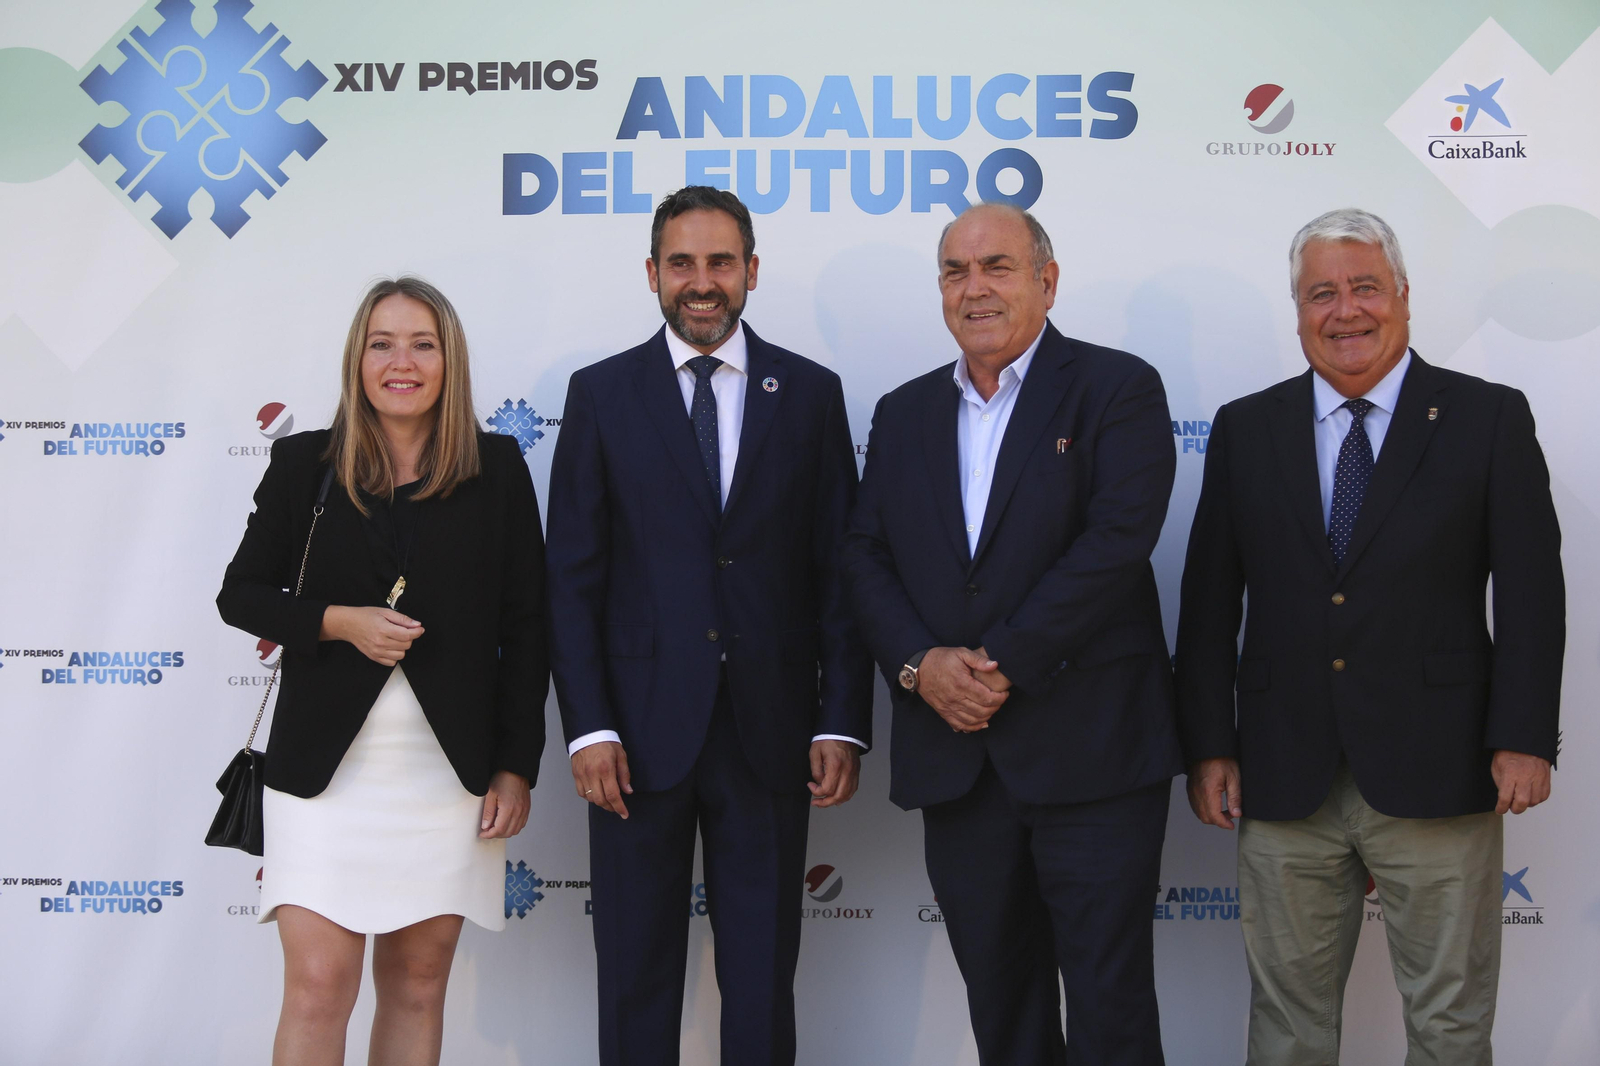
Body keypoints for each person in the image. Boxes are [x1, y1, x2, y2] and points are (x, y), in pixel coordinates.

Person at [1174, 207, 1563, 1065]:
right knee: (1287, 1027)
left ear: (1404, 295)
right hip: (1283, 773)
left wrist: (1525, 737)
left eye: (1364, 287)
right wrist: (1209, 745)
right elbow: (1208, 602)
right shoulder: (1247, 427)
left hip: (1442, 764)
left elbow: (1532, 593)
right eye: (1321, 293)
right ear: (1298, 310)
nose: (1345, 310)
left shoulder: (1488, 417)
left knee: (1450, 1023)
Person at [842, 201, 1183, 1065]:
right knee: (1003, 1013)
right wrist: (921, 666)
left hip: (1092, 756)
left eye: (997, 266)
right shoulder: (904, 411)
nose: (975, 288)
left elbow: (1116, 542)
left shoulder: (1117, 387)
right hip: (960, 764)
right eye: (955, 271)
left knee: (1109, 1011)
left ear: (1047, 280)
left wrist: (998, 665)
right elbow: (864, 553)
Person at [545, 186, 872, 1066]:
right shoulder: (601, 394)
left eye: (720, 262)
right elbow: (571, 578)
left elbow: (840, 573)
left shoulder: (810, 394)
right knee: (635, 975)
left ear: (751, 271)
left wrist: (841, 718)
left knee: (762, 982)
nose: (702, 281)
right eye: (682, 263)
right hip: (633, 739)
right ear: (652, 273)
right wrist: (589, 728)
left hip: (772, 734)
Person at [216, 276, 548, 1066]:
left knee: (418, 987)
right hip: (322, 776)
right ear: (357, 360)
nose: (403, 362)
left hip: (448, 775)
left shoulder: (497, 468)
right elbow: (240, 595)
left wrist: (515, 765)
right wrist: (338, 622)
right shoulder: (304, 463)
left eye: (423, 345)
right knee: (318, 987)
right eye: (383, 344)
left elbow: (529, 627)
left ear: (449, 360)